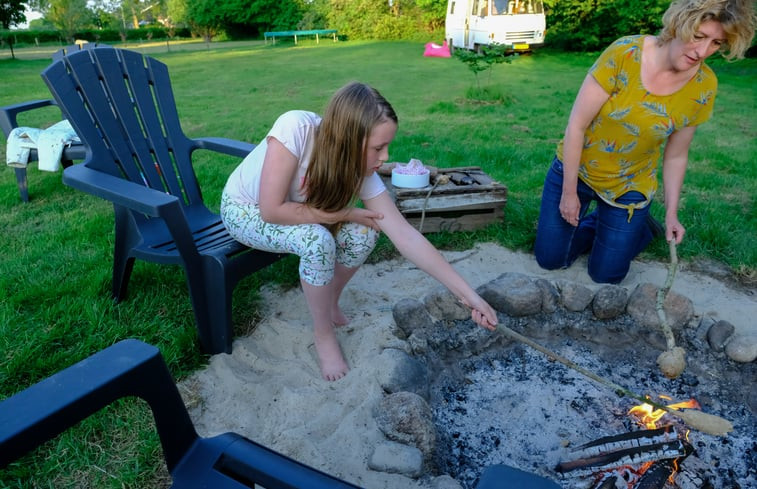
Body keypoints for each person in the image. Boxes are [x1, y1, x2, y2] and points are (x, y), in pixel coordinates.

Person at [221, 82, 498, 381]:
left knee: (366, 230)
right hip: (245, 211)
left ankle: (328, 303)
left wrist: (470, 296)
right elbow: (271, 210)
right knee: (317, 240)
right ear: (348, 139)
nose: (384, 157)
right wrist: (344, 212)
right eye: (378, 148)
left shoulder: (355, 164)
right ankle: (323, 333)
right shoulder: (296, 127)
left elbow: (405, 235)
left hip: (300, 214)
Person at [534, 0, 756, 284]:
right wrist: (568, 194)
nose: (703, 52)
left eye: (716, 43)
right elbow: (576, 126)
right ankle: (606, 223)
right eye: (699, 37)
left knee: (607, 276)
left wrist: (672, 214)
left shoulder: (704, 86)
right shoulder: (625, 53)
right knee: (550, 260)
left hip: (630, 185)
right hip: (576, 171)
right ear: (678, 25)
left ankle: (639, 226)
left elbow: (676, 155)